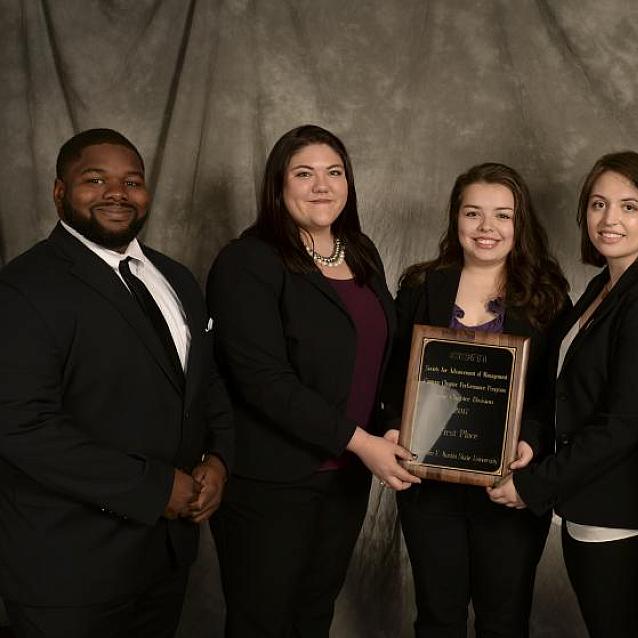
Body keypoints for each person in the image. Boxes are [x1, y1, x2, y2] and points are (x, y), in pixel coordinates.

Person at [0, 128, 234, 638]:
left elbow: (205, 384)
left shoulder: (176, 278)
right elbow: (20, 425)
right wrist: (152, 487)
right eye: (95, 179)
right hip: (70, 572)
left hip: (163, 561)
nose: (116, 193)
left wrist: (218, 459)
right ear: (60, 191)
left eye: (131, 181)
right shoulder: (24, 287)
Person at [206, 124, 418, 638]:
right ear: (278, 186)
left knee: (312, 616)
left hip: (342, 479)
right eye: (304, 174)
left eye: (334, 172)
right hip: (271, 482)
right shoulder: (248, 262)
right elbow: (263, 381)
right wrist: (361, 441)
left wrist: (387, 426)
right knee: (264, 622)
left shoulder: (359, 251)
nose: (322, 186)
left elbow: (379, 358)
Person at [488, 151, 638, 636]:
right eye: (598, 205)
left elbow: (623, 425)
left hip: (627, 519)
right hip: (590, 507)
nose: (610, 219)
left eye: (629, 206)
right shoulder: (607, 285)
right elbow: (566, 388)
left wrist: (534, 484)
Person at [382, 162, 569, 637]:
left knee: (503, 621)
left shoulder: (547, 298)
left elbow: (554, 394)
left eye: (502, 216)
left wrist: (528, 438)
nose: (487, 228)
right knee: (438, 618)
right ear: (455, 220)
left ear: (519, 224)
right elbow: (389, 378)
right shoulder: (420, 288)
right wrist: (390, 426)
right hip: (429, 486)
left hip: (507, 487)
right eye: (473, 214)